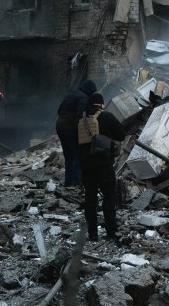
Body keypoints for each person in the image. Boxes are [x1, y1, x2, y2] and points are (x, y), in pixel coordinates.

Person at [77, 93, 126, 242]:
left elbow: (75, 142)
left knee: (90, 198)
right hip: (104, 164)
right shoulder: (107, 116)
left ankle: (92, 234)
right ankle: (111, 232)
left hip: (86, 166)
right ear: (101, 104)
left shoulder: (80, 118)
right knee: (109, 197)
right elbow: (122, 135)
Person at [55, 79, 97, 187]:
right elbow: (79, 116)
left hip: (60, 125)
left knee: (68, 154)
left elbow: (59, 110)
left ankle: (68, 181)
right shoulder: (84, 97)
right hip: (68, 127)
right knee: (77, 154)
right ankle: (76, 180)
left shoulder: (72, 94)